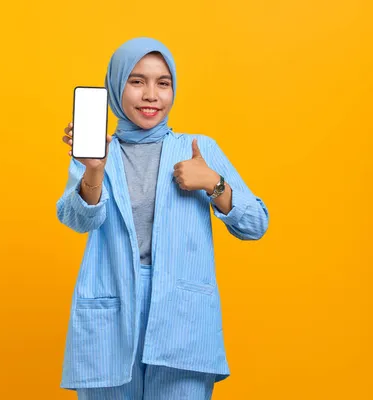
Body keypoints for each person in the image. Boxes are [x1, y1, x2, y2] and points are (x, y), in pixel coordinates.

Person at [57, 37, 269, 400]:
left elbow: (255, 224)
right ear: (115, 86)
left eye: (163, 82)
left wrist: (214, 184)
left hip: (182, 316)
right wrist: (93, 171)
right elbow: (77, 220)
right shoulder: (97, 153)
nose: (151, 95)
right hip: (111, 313)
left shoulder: (197, 149)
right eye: (137, 81)